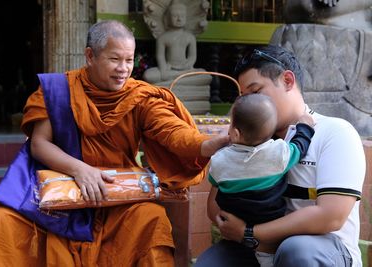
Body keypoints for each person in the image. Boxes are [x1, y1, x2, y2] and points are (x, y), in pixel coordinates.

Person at [0, 20, 229, 267]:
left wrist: (206, 144)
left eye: (129, 60)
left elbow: (172, 133)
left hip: (115, 198)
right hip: (63, 196)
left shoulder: (138, 96)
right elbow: (39, 144)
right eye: (115, 59)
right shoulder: (60, 90)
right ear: (90, 56)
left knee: (152, 220)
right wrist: (80, 170)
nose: (123, 68)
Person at [195, 45, 366, 266]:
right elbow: (216, 206)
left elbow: (330, 216)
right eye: (244, 98)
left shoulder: (335, 132)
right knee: (212, 262)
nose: (251, 105)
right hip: (254, 246)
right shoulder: (246, 139)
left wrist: (251, 231)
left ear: (287, 80)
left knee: (296, 250)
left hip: (322, 249)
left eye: (256, 92)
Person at [208, 93, 314, 267]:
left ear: (235, 133)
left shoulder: (219, 161)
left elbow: (214, 180)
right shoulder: (279, 153)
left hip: (233, 222)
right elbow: (300, 145)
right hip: (270, 224)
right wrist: (305, 126)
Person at [142, 1, 208, 85]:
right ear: (168, 18)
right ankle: (180, 78)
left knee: (204, 74)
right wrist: (163, 69)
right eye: (175, 16)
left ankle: (177, 77)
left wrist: (187, 65)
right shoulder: (163, 38)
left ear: (186, 17)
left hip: (186, 69)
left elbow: (192, 56)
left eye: (182, 16)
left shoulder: (190, 37)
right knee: (148, 75)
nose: (179, 19)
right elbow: (160, 56)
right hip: (168, 68)